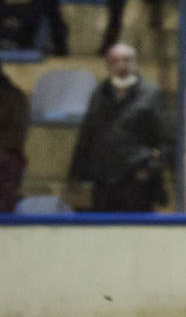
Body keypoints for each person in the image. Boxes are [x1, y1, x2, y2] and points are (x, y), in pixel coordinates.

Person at [68, 43, 174, 212]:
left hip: (137, 183)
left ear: (136, 63)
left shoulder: (151, 94)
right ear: (108, 65)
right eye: (115, 61)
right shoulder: (99, 94)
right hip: (104, 182)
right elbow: (87, 135)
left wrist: (151, 168)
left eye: (127, 60)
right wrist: (75, 174)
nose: (121, 66)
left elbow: (167, 140)